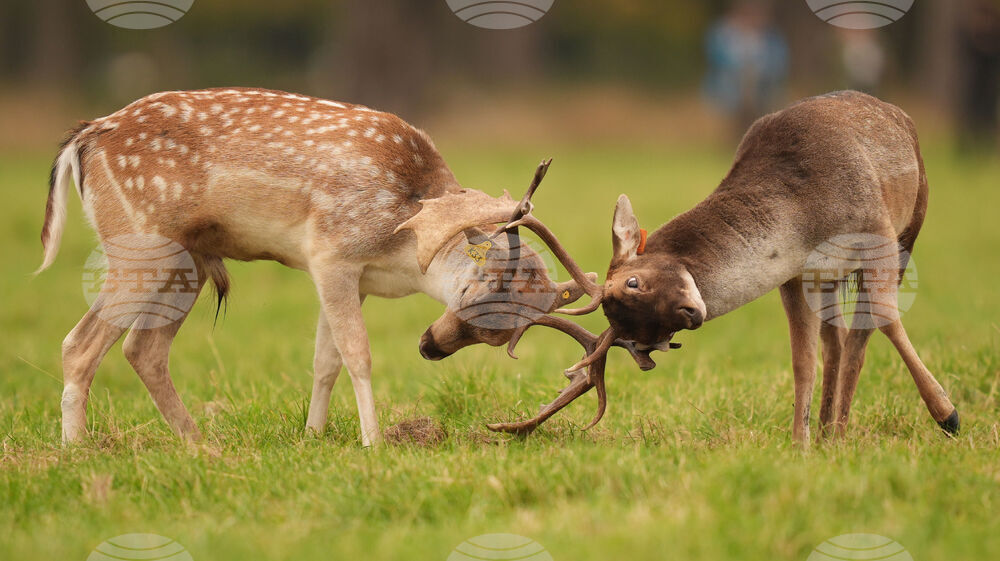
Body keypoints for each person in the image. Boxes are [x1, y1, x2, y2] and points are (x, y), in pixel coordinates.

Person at [704, 0, 789, 134]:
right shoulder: (723, 32)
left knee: (760, 88)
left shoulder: (770, 35)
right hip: (730, 83)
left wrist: (761, 71)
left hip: (763, 84)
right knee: (742, 85)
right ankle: (736, 128)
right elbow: (717, 59)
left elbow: (779, 62)